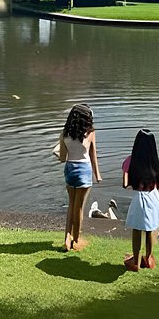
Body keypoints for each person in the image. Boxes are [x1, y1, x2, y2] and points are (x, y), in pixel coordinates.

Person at [59, 104, 102, 251]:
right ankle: (76, 240)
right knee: (79, 208)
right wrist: (97, 175)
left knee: (71, 205)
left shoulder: (64, 133)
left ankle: (67, 237)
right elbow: (93, 155)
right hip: (84, 170)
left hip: (70, 169)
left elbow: (63, 158)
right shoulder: (90, 133)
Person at [122, 129, 159, 271]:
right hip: (152, 197)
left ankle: (135, 261)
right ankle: (149, 258)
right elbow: (158, 183)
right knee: (150, 229)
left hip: (139, 199)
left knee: (137, 230)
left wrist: (128, 175)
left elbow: (125, 184)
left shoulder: (130, 161)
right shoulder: (154, 162)